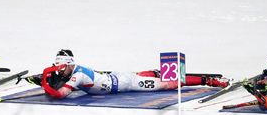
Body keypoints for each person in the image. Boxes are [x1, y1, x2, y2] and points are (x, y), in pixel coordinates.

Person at [40, 49, 229, 100]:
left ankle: (211, 81)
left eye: (61, 68)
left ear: (70, 65)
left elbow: (59, 95)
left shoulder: (77, 76)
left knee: (170, 83)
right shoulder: (74, 70)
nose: (59, 72)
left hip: (126, 84)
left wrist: (45, 82)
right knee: (143, 75)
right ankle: (153, 72)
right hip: (118, 78)